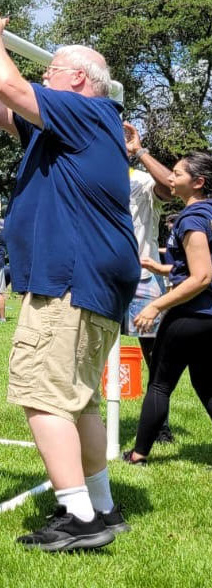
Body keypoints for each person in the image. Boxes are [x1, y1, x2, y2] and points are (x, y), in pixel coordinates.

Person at [0, 10, 138, 550]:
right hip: (92, 278)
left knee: (43, 395)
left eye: (50, 71)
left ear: (77, 79)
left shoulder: (89, 112)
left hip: (70, 279)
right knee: (78, 401)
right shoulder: (66, 132)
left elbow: (7, 82)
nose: (43, 78)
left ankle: (77, 518)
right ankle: (101, 505)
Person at [124, 153, 212, 465]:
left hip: (190, 314)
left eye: (177, 175)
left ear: (198, 182)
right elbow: (193, 266)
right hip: (207, 317)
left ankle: (138, 454)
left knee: (160, 384)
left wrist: (156, 306)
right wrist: (161, 268)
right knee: (205, 384)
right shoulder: (207, 213)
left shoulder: (191, 219)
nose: (170, 180)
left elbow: (202, 276)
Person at [123, 121, 174, 442]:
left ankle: (160, 425)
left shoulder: (140, 180)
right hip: (102, 277)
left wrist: (139, 151)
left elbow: (170, 187)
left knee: (154, 355)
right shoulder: (91, 179)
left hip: (143, 280)